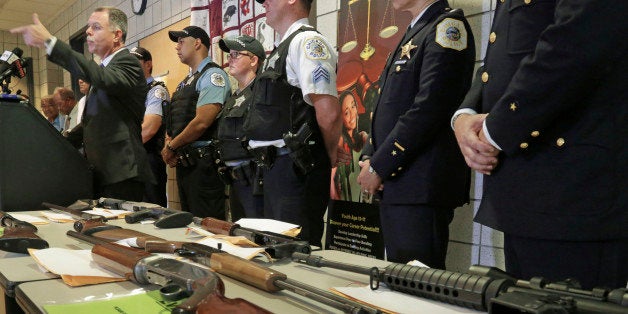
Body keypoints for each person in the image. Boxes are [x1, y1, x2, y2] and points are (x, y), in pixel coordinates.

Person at [452, 1, 628, 289]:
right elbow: (502, 57)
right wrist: (465, 114)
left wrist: (495, 129)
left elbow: (575, 42)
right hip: (525, 190)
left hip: (573, 194)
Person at [357, 0, 474, 267]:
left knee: (418, 286)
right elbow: (387, 107)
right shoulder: (416, 29)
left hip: (419, 183)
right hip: (398, 182)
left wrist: (380, 165)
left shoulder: (447, 27)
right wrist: (369, 156)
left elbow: (431, 108)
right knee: (401, 283)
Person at [12, 7, 154, 201]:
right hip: (102, 173)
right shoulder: (106, 70)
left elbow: (100, 77)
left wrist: (52, 43)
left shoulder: (127, 63)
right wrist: (51, 142)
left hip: (122, 172)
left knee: (122, 232)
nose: (88, 31)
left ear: (117, 35)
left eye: (96, 27)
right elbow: (91, 124)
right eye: (88, 27)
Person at [246, 0, 342, 246]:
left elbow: (328, 111)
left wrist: (329, 153)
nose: (264, 3)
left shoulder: (307, 43)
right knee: (276, 248)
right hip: (276, 167)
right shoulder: (282, 49)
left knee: (296, 251)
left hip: (296, 168)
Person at [161, 26, 230, 219]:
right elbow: (174, 118)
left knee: (207, 226)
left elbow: (202, 122)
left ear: (197, 43)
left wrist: (172, 146)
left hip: (203, 164)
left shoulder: (212, 76)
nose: (177, 47)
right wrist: (169, 144)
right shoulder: (186, 81)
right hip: (185, 162)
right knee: (190, 226)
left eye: (181, 41)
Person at [216, 35, 266, 220]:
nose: (230, 59)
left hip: (253, 180)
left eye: (236, 54)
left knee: (255, 235)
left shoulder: (260, 94)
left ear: (253, 60)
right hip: (235, 179)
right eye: (230, 54)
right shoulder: (233, 97)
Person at [130, 46, 169, 207]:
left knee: (152, 210)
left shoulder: (156, 90)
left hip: (149, 158)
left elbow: (149, 128)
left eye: (135, 62)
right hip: (133, 158)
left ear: (148, 64)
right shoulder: (130, 93)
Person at [331, 90, 367, 201]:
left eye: (353, 106)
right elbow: (330, 178)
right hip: (344, 200)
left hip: (361, 199)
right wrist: (336, 203)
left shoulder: (362, 137)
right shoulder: (340, 140)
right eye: (346, 112)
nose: (352, 114)